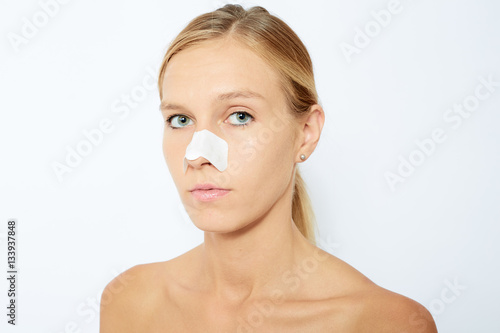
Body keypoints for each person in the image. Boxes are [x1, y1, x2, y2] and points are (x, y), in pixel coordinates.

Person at [100, 4, 437, 332]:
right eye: (180, 119)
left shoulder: (386, 323)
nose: (197, 154)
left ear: (306, 133)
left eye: (240, 116)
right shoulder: (130, 302)